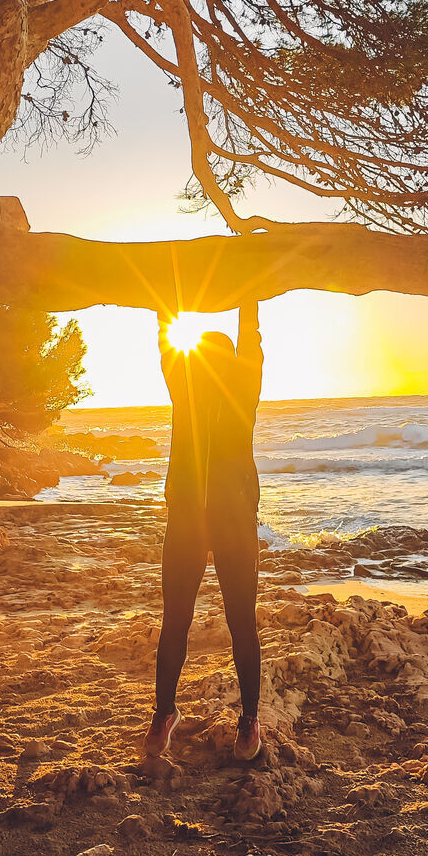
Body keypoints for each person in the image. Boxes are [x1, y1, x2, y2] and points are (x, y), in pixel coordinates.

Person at [145, 300, 263, 762]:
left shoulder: (242, 390)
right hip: (188, 522)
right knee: (176, 619)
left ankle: (250, 720)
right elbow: (167, 343)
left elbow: (249, 341)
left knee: (241, 623)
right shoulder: (185, 391)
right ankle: (164, 713)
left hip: (234, 524)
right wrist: (161, 304)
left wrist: (247, 296)